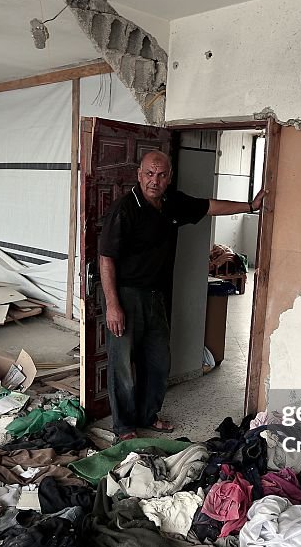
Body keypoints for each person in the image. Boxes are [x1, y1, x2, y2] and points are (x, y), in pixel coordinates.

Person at [98, 150, 267, 442]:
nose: (155, 180)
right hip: (125, 295)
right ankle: (124, 426)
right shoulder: (125, 209)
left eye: (161, 175)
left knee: (158, 360)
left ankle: (148, 415)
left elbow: (209, 206)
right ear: (139, 175)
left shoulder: (172, 203)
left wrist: (251, 205)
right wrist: (113, 304)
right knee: (122, 364)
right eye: (149, 174)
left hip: (155, 295)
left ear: (169, 177)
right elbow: (106, 259)